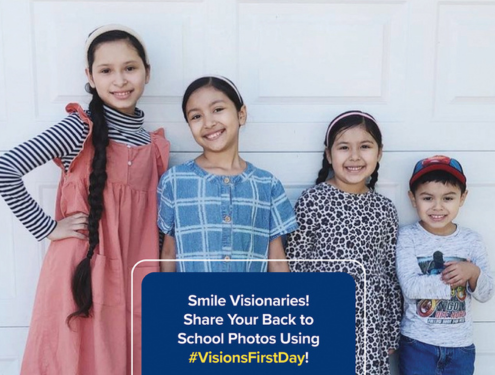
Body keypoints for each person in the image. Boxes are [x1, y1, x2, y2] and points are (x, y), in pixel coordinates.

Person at [0, 24, 170, 375]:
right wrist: (48, 228)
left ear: (147, 72)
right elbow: (6, 168)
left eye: (130, 68)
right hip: (80, 271)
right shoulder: (80, 129)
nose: (120, 80)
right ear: (89, 77)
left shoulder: (155, 148)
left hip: (135, 273)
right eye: (106, 70)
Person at [285, 111, 402, 375]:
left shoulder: (384, 209)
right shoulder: (312, 201)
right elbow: (294, 266)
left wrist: (391, 330)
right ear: (329, 155)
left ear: (379, 153)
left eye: (365, 146)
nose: (355, 156)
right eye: (344, 147)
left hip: (369, 329)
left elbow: (390, 272)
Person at [157, 76, 297, 272]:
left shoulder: (267, 185)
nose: (208, 122)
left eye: (218, 109)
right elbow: (169, 253)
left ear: (241, 114)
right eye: (196, 116)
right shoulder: (174, 181)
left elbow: (276, 260)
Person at [396, 155, 494, 375]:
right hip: (417, 344)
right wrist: (452, 280)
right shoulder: (407, 237)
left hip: (461, 347)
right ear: (413, 199)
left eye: (448, 198)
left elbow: (486, 293)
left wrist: (473, 273)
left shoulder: (472, 240)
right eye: (428, 198)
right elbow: (410, 288)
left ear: (462, 197)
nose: (437, 207)